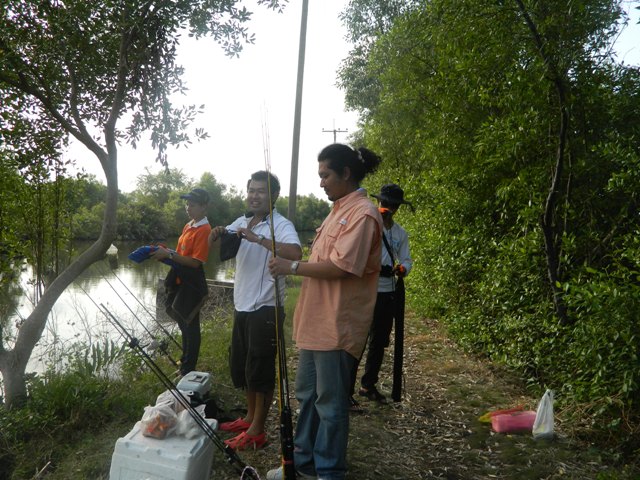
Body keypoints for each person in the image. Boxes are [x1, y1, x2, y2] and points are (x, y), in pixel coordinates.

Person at [267, 143, 383, 480]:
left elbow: (343, 267)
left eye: (325, 175)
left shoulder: (362, 213)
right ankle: (301, 465)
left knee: (331, 405)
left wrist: (291, 266)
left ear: (346, 173)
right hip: (315, 326)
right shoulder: (337, 210)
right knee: (307, 396)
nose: (321, 183)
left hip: (337, 328)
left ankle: (329, 472)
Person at [209, 170, 302, 451]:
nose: (254, 195)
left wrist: (258, 239)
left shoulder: (281, 224)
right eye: (251, 190)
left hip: (267, 307)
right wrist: (217, 232)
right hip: (242, 305)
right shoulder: (241, 220)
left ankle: (258, 431)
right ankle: (248, 418)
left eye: (261, 191)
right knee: (245, 365)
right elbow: (221, 242)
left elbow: (296, 254)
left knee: (261, 369)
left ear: (273, 196)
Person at [355, 183, 413, 404]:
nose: (387, 207)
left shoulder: (400, 234)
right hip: (365, 289)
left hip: (387, 291)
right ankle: (345, 388)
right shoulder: (366, 226)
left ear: (398, 207)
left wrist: (402, 269)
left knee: (378, 341)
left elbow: (406, 259)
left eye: (392, 205)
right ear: (378, 202)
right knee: (357, 339)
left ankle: (367, 385)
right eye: (384, 203)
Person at [151, 187, 212, 377]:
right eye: (187, 204)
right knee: (180, 319)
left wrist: (169, 254)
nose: (188, 208)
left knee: (190, 324)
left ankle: (188, 367)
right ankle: (185, 361)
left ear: (203, 207)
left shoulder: (205, 230)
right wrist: (164, 254)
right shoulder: (189, 225)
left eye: (192, 205)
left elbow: (195, 262)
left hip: (192, 283)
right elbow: (179, 255)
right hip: (180, 279)